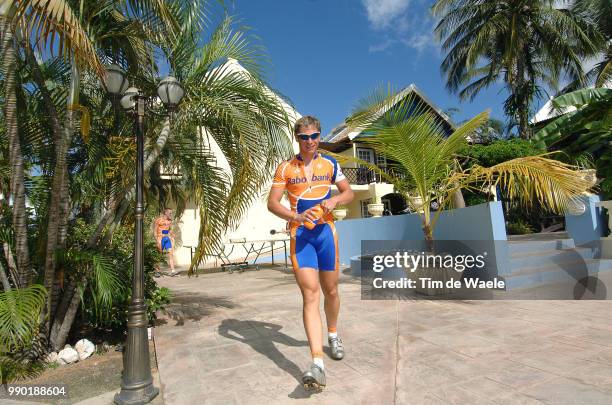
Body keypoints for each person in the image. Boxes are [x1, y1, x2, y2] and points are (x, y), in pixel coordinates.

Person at [267, 115, 354, 391]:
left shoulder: (330, 163)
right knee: (310, 295)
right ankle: (317, 363)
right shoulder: (285, 168)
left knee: (331, 292)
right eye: (305, 137)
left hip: (327, 234)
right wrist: (294, 215)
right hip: (301, 236)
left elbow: (348, 192)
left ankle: (333, 334)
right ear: (297, 138)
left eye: (315, 136)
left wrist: (334, 200)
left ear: (319, 137)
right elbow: (272, 203)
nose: (310, 141)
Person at [154, 208, 176, 276]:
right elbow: (155, 230)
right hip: (160, 238)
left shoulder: (170, 221)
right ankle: (157, 271)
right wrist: (157, 239)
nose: (171, 214)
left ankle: (173, 270)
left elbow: (170, 230)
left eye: (171, 213)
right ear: (166, 213)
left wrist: (172, 236)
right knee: (159, 255)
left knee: (170, 253)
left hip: (167, 238)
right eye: (170, 213)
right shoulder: (159, 220)